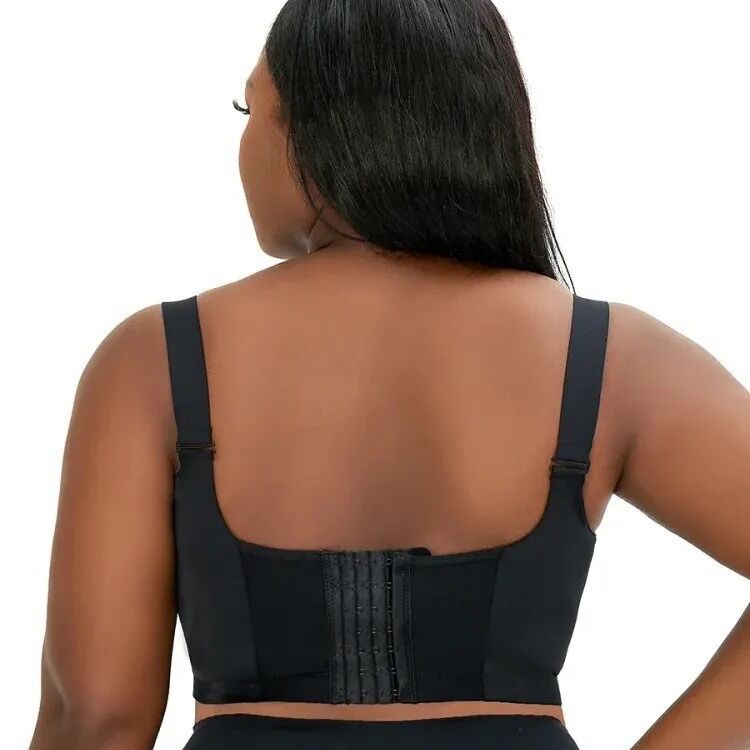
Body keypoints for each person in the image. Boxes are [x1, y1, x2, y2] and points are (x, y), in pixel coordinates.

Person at [28, 1, 750, 749]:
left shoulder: (153, 359)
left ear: (316, 129)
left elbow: (98, 714)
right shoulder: (612, 355)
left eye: (250, 108)